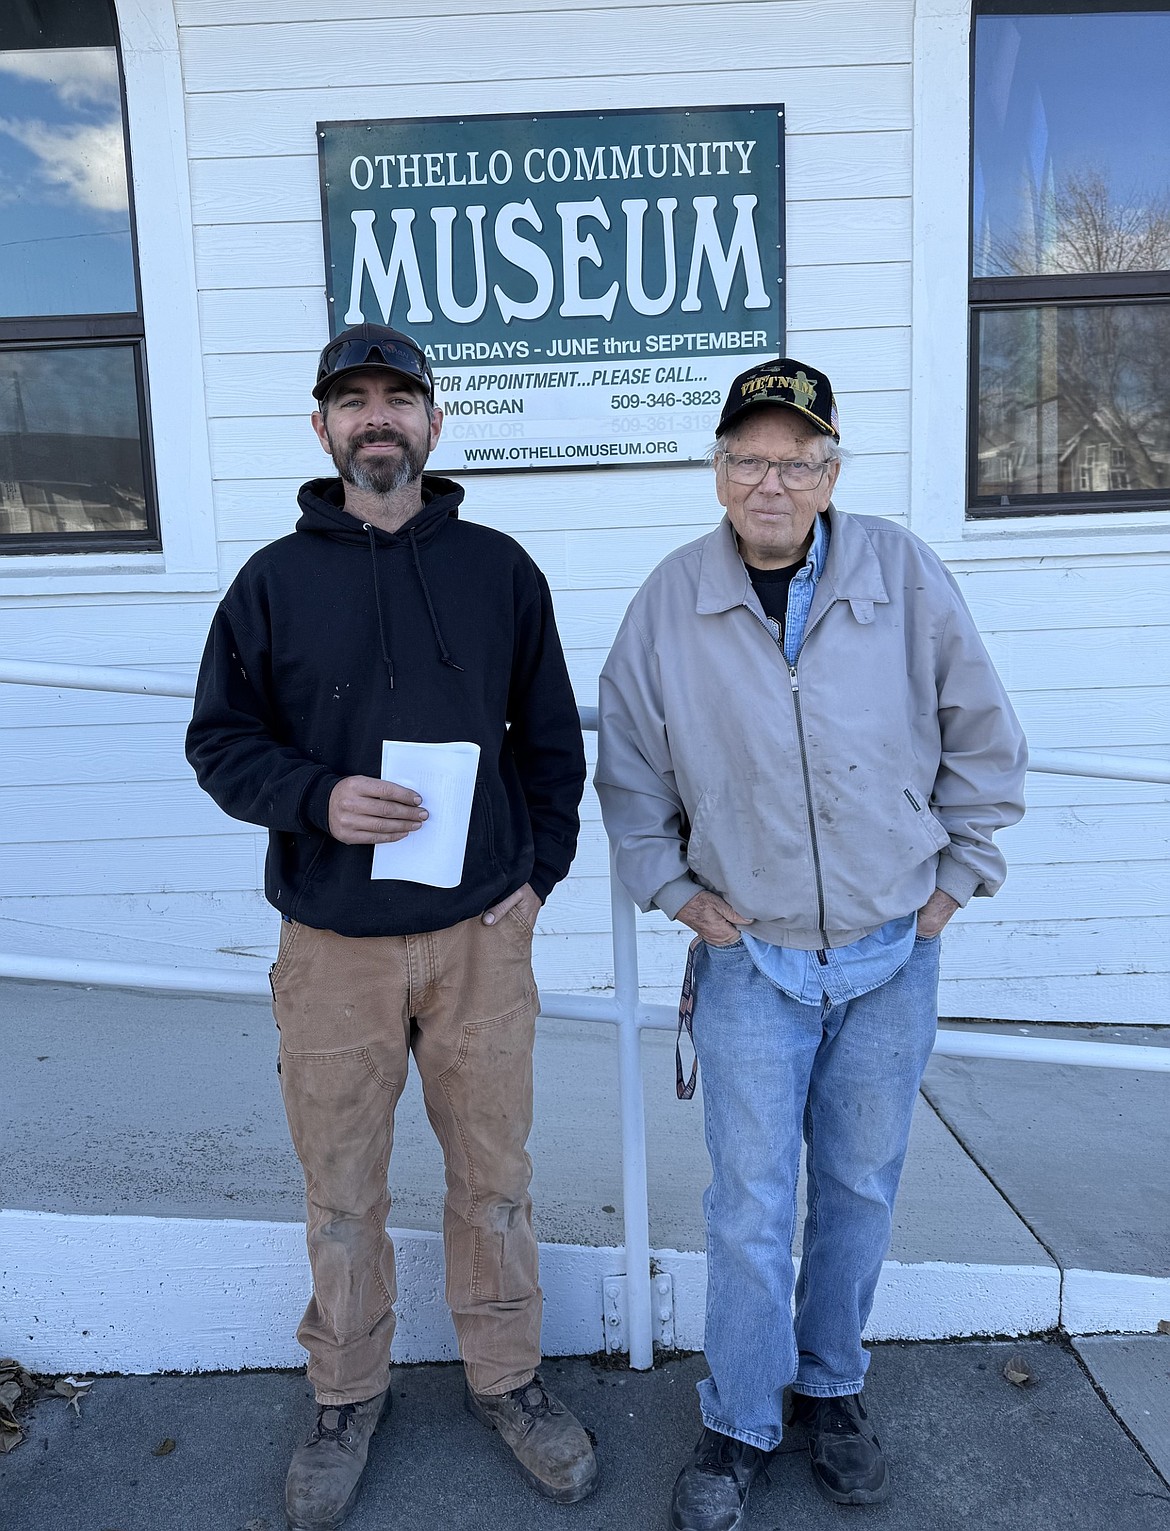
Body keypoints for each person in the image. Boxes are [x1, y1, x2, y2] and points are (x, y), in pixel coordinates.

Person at [595, 358, 1026, 1529]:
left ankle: (833, 1388)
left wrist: (952, 886)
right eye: (748, 457)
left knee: (855, 1187)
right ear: (718, 469)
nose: (769, 479)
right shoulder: (670, 602)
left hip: (894, 949)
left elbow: (982, 734)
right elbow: (629, 773)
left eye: (795, 459)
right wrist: (676, 891)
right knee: (746, 1203)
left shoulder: (901, 574)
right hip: (750, 959)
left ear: (831, 470)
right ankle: (740, 1417)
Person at [186, 323, 596, 1530]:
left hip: (480, 940)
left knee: (497, 1179)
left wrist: (539, 879)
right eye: (352, 400)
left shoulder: (502, 570)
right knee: (343, 1190)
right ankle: (346, 1392)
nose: (377, 418)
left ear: (433, 420)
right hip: (333, 945)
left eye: (397, 398)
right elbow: (220, 743)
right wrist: (317, 796)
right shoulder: (270, 581)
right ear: (322, 429)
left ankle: (508, 1381)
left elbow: (554, 749)